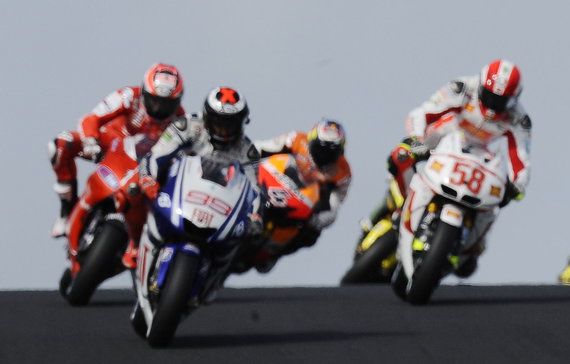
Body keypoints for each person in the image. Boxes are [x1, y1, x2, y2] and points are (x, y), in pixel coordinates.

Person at [358, 60, 532, 278]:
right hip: (442, 139)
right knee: (400, 156)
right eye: (489, 96)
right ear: (480, 86)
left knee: (497, 200)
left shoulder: (519, 119)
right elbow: (422, 113)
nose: (492, 105)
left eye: (500, 100)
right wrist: (416, 140)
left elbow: (521, 157)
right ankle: (397, 204)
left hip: (478, 156)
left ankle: (473, 247)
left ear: (513, 99)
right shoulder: (461, 88)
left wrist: (517, 185)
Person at [127, 86, 260, 268]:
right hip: (173, 189)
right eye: (218, 122)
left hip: (216, 202)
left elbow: (255, 188)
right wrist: (148, 178)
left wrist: (255, 216)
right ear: (207, 117)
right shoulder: (187, 126)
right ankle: (134, 244)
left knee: (242, 238)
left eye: (230, 124)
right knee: (131, 190)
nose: (223, 129)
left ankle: (215, 274)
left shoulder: (246, 151)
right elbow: (157, 155)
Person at [48, 63, 185, 238]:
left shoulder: (181, 121)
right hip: (109, 144)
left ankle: (137, 244)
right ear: (144, 92)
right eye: (154, 100)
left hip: (142, 164)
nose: (158, 108)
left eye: (166, 104)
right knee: (60, 144)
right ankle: (66, 211)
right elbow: (92, 118)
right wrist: (91, 140)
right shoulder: (128, 96)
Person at [250, 119, 352, 267]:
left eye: (331, 152)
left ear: (340, 152)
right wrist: (247, 156)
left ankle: (275, 252)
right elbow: (263, 147)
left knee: (312, 235)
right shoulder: (296, 139)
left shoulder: (343, 172)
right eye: (320, 148)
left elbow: (336, 202)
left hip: (305, 201)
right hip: (277, 179)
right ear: (311, 141)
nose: (324, 155)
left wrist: (319, 218)